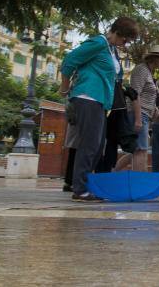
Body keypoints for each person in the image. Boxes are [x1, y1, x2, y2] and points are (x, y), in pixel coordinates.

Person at [59, 17, 139, 201]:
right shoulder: (98, 43)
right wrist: (64, 88)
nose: (125, 44)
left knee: (96, 146)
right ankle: (80, 189)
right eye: (125, 40)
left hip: (100, 101)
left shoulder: (110, 49)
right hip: (88, 96)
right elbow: (70, 60)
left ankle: (84, 185)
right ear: (117, 32)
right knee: (90, 145)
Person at [115, 45, 159, 172]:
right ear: (155, 58)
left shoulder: (149, 72)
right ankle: (139, 184)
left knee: (136, 149)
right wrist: (138, 119)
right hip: (139, 114)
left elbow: (147, 94)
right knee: (141, 150)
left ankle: (114, 173)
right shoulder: (141, 70)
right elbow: (135, 94)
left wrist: (154, 108)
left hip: (144, 114)